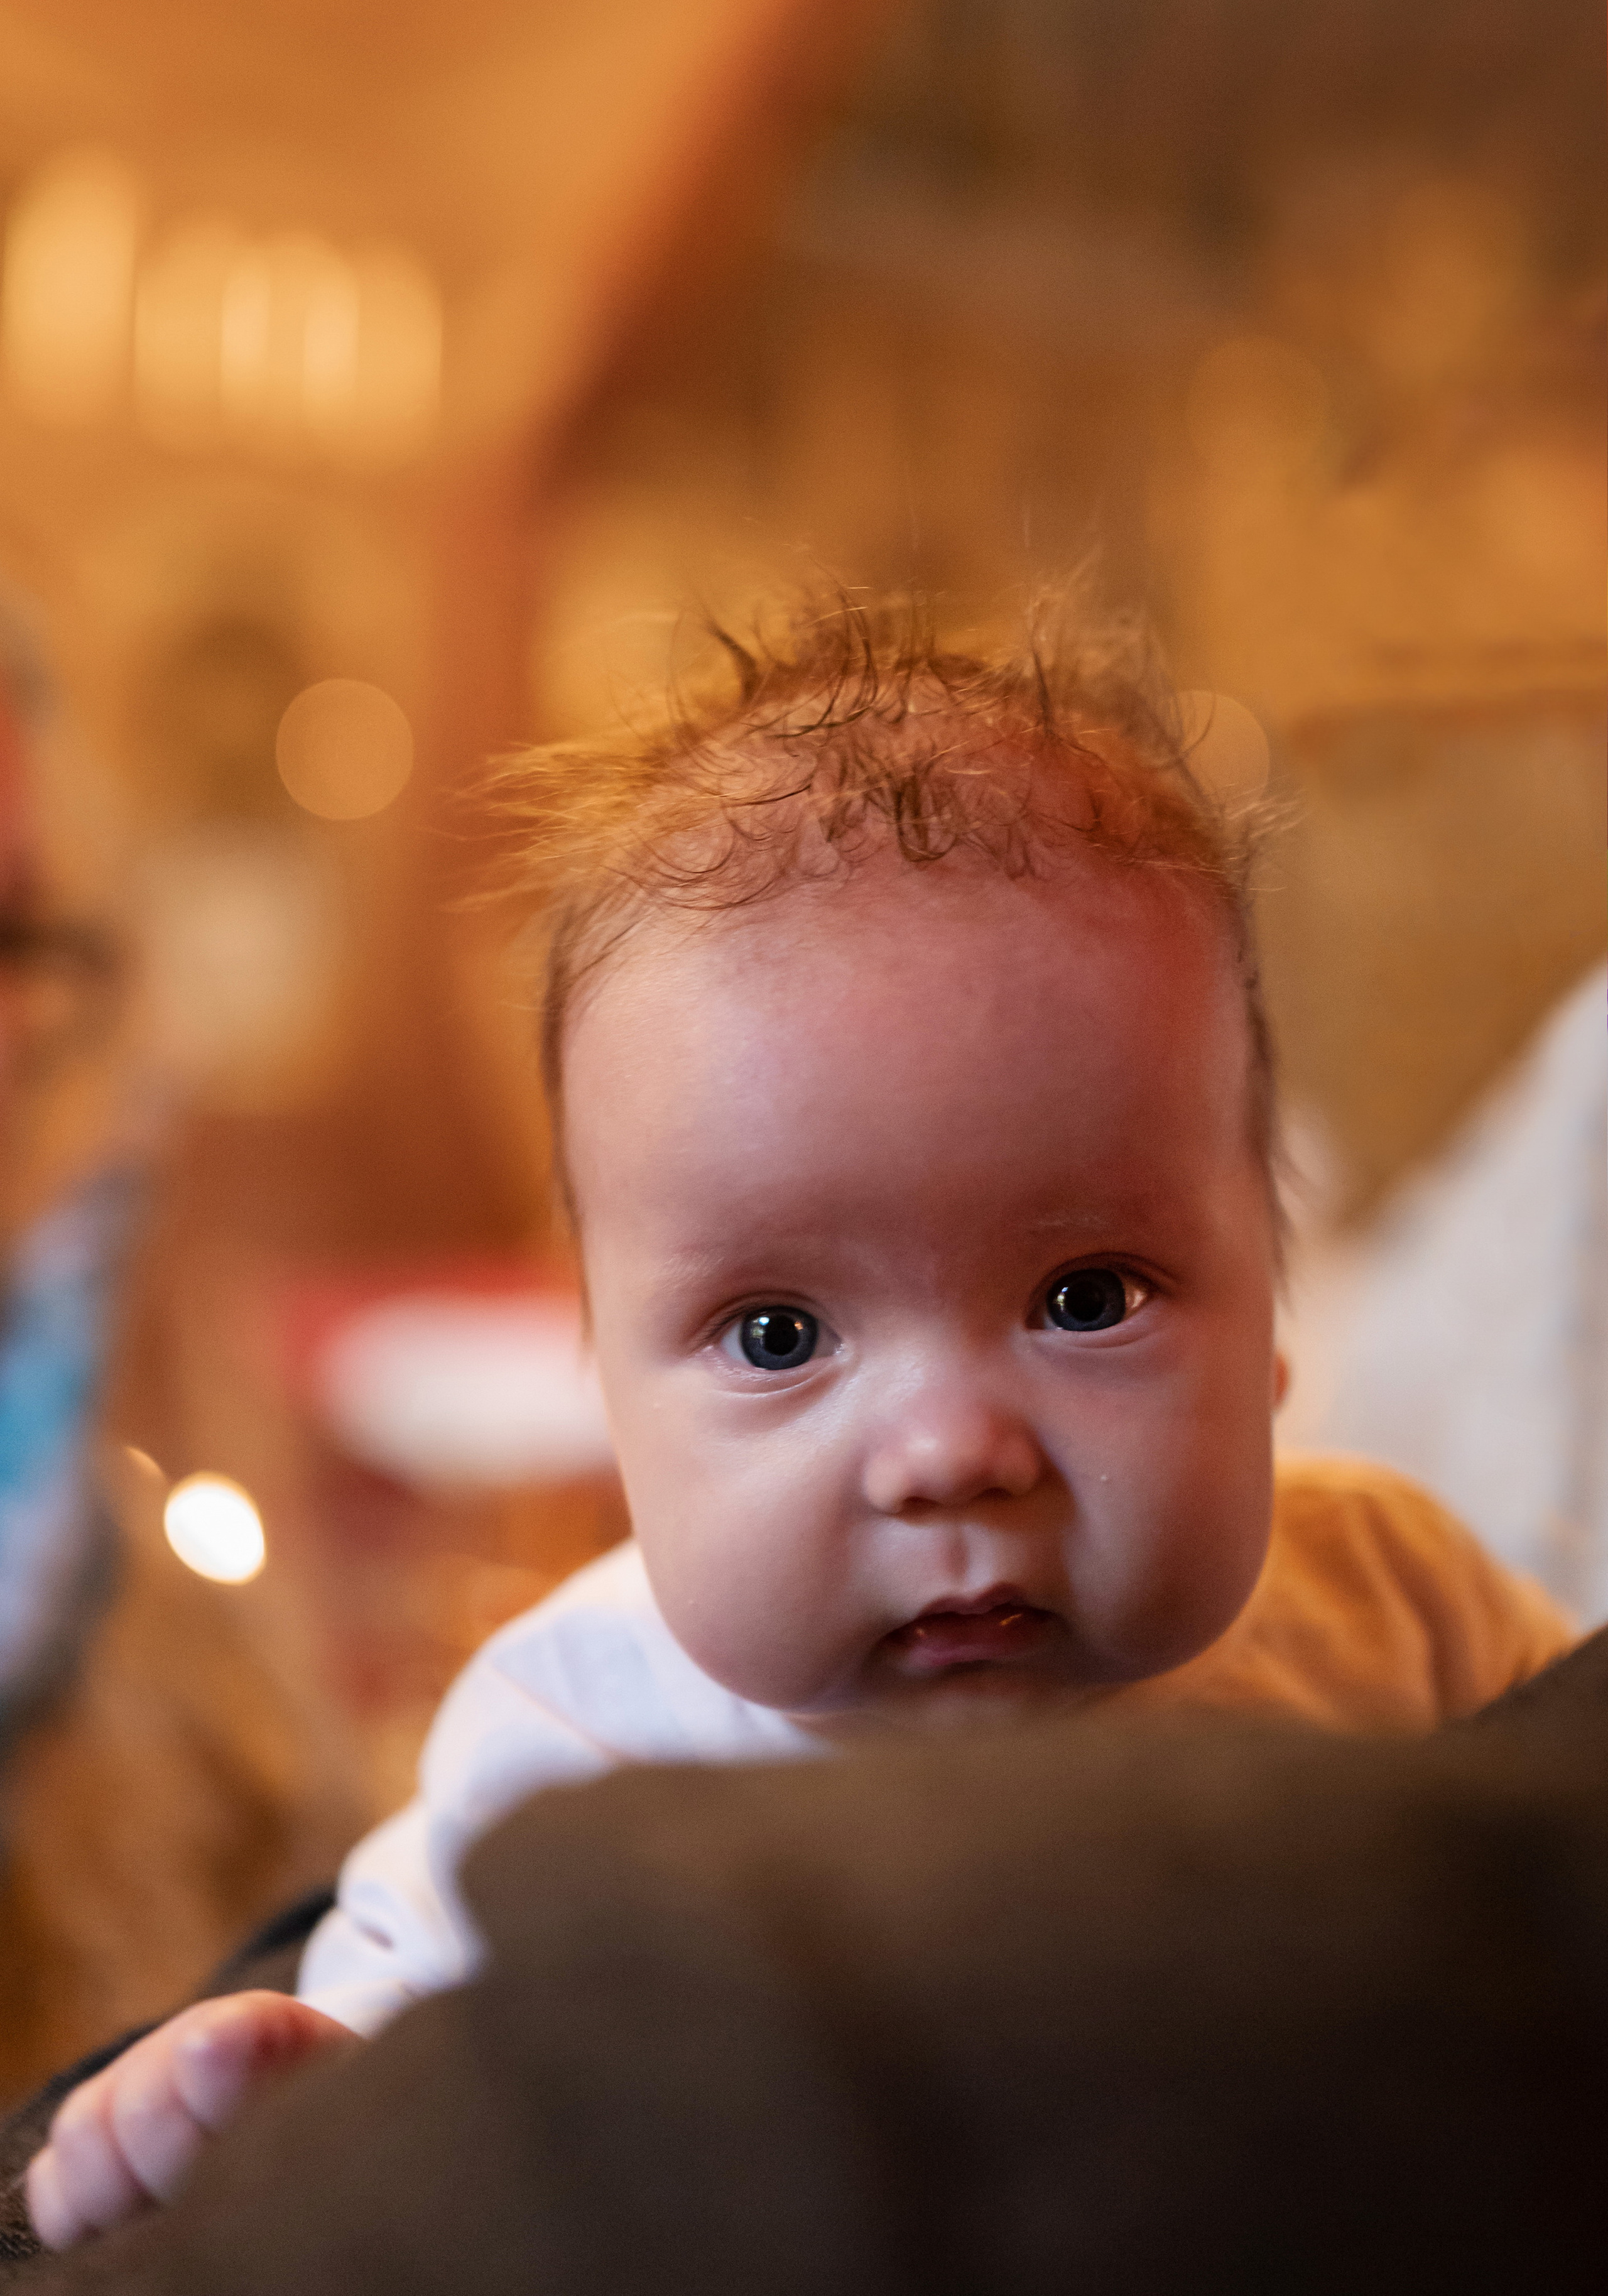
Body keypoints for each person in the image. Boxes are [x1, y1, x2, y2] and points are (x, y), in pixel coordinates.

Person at [23, 589, 1576, 2251]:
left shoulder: (1391, 1592)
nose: (951, 1451)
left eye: (1086, 1299)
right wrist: (234, 2098)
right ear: (614, 1414)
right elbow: (396, 2095)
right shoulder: (572, 1734)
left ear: (1275, 1314)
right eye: (779, 1335)